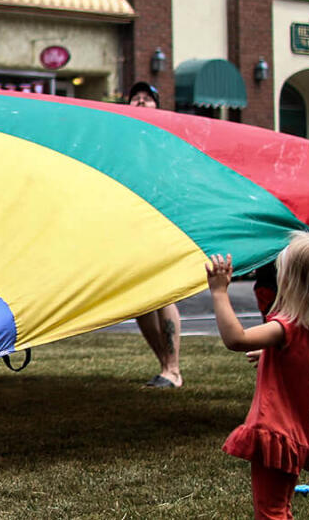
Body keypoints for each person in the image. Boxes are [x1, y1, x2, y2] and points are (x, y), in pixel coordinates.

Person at [207, 232, 309, 520]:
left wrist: (219, 293)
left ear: (289, 283)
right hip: (300, 430)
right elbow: (303, 357)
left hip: (276, 431)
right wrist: (272, 355)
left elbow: (236, 339)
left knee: (270, 511)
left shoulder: (284, 327)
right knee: (281, 507)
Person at [125, 80, 183, 388]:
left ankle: (173, 369)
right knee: (142, 301)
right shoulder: (124, 140)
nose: (141, 102)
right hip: (134, 225)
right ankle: (165, 366)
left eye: (148, 99)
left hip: (161, 223)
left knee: (163, 293)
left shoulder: (165, 139)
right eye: (136, 98)